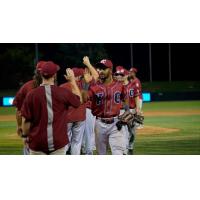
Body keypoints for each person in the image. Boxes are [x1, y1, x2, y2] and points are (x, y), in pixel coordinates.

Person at [21, 61, 81, 155]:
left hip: (37, 143)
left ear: (41, 74)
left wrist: (24, 136)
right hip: (58, 143)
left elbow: (25, 120)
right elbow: (78, 102)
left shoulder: (31, 95)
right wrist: (72, 81)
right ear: (55, 75)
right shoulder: (63, 92)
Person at [86, 59, 128, 155]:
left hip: (116, 124)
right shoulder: (94, 86)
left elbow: (125, 98)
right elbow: (83, 99)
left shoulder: (119, 85)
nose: (100, 71)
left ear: (110, 69)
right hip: (99, 123)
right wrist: (86, 85)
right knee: (101, 154)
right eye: (99, 69)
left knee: (118, 153)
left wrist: (127, 111)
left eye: (103, 69)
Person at [13, 61, 44, 154]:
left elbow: (19, 109)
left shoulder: (27, 87)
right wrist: (19, 126)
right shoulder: (27, 87)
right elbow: (19, 109)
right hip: (31, 129)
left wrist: (19, 126)